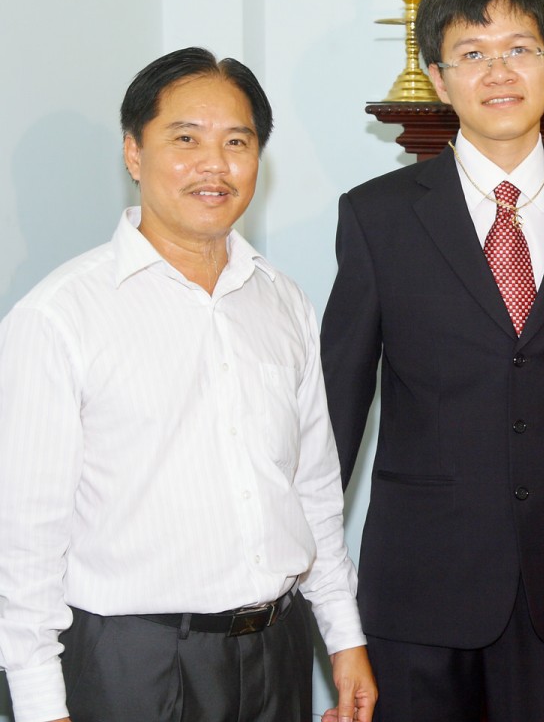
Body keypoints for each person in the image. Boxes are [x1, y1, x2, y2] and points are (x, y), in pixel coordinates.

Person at [320, 0, 544, 721]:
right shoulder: (378, 216)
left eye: (519, 49)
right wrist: (316, 590)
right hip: (418, 587)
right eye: (472, 53)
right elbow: (337, 409)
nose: (499, 71)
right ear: (438, 80)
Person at [0, 47, 375, 722]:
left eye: (237, 142)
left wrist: (344, 637)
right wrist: (38, 704)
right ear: (133, 152)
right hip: (131, 665)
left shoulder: (282, 300)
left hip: (277, 652)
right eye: (185, 139)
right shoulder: (59, 316)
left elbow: (314, 491)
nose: (215, 164)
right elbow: (25, 538)